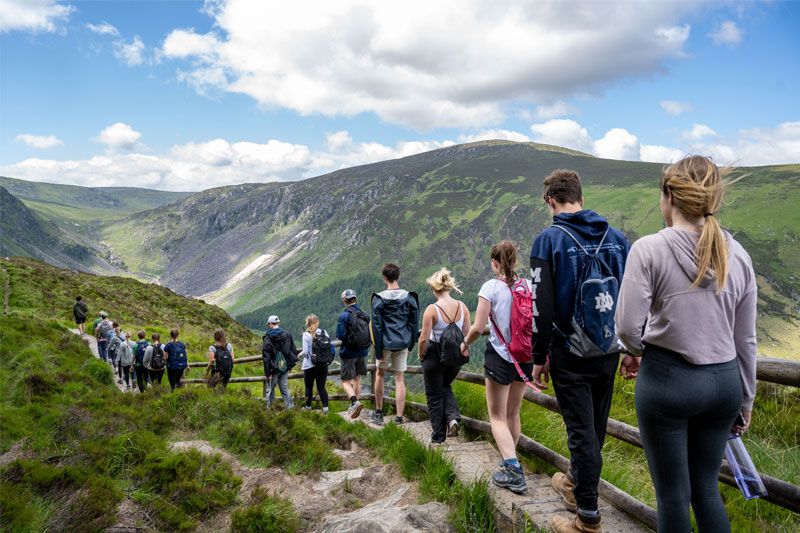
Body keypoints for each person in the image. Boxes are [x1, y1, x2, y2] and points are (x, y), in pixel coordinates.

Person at [615, 156, 757, 533]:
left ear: (669, 195)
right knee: (706, 489)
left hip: (668, 381)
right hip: (725, 383)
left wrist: (635, 351)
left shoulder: (649, 250)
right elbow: (746, 340)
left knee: (673, 496)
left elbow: (629, 328)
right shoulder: (738, 255)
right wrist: (746, 399)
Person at [528, 169, 630, 533]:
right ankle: (574, 484)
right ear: (581, 199)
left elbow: (541, 305)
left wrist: (538, 357)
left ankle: (587, 517)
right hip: (608, 348)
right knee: (595, 428)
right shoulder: (617, 239)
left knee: (581, 432)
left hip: (569, 350)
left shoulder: (549, 241)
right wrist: (631, 346)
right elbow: (631, 298)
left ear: (550, 201)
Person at [461, 241, 534, 493]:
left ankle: (512, 469)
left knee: (497, 416)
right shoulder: (529, 286)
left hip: (500, 356)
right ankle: (508, 462)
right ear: (515, 261)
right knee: (513, 413)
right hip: (525, 355)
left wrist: (465, 342)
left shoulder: (490, 287)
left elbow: (479, 327)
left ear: (494, 263)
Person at [418, 268, 471, 444]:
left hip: (434, 354)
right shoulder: (463, 307)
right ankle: (453, 418)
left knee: (433, 396)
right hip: (455, 356)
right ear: (449, 287)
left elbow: (424, 338)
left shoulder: (432, 309)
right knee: (445, 385)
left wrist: (421, 354)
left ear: (434, 289)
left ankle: (438, 436)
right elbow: (466, 334)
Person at [370, 263, 419, 425]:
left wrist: (377, 351)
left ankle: (379, 412)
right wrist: (411, 344)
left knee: (380, 375)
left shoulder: (378, 299)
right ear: (398, 277)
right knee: (399, 379)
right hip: (403, 343)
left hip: (384, 344)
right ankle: (399, 417)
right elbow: (413, 324)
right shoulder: (409, 297)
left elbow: (376, 327)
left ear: (385, 278)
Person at [336, 289, 370, 418]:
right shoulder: (364, 314)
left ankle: (355, 402)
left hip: (349, 352)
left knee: (345, 381)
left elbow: (340, 335)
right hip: (363, 352)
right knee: (357, 378)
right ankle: (356, 405)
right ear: (355, 299)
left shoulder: (344, 316)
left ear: (344, 300)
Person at [262, 315, 299, 409]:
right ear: (278, 323)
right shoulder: (287, 334)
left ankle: (270, 408)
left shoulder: (267, 338)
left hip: (274, 369)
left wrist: (267, 373)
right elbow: (293, 350)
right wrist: (290, 366)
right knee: (283, 387)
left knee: (271, 387)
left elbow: (266, 358)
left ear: (270, 324)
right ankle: (290, 407)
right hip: (285, 367)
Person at [300, 314, 330, 412]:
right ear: (317, 322)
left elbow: (304, 352)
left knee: (309, 387)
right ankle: (325, 408)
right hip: (323, 364)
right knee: (321, 387)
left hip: (310, 365)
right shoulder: (324, 332)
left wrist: (298, 355)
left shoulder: (306, 335)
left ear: (307, 323)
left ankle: (308, 407)